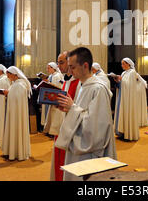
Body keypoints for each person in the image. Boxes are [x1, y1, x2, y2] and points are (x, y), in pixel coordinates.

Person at [55, 47, 117, 181]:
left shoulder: (98, 89)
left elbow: (96, 128)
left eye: (73, 67)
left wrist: (72, 108)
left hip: (89, 153)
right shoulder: (84, 86)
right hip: (79, 148)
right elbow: (82, 112)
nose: (70, 71)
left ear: (85, 66)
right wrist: (69, 109)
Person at [50, 51, 81, 181]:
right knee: (59, 160)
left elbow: (82, 108)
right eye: (58, 62)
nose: (58, 65)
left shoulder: (80, 82)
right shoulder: (66, 81)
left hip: (72, 130)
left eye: (61, 62)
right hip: (62, 127)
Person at [0, 66, 32, 161]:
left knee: (17, 128)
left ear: (14, 74)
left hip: (16, 114)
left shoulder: (19, 85)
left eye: (8, 74)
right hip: (13, 112)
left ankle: (17, 152)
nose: (8, 76)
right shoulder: (16, 84)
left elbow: (17, 98)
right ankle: (12, 151)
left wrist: (8, 93)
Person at [113, 58, 148, 141]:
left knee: (128, 114)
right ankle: (122, 132)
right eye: (121, 64)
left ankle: (129, 134)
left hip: (128, 98)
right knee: (122, 113)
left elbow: (130, 86)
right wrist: (118, 81)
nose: (122, 65)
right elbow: (123, 84)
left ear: (128, 64)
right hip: (123, 97)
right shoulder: (124, 73)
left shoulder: (132, 72)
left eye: (123, 64)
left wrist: (121, 81)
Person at [42, 62, 65, 136]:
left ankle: (54, 132)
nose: (47, 69)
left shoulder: (57, 76)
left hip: (55, 97)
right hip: (50, 97)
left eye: (48, 68)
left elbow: (58, 86)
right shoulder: (51, 76)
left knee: (55, 115)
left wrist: (48, 83)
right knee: (51, 114)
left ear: (53, 68)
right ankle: (49, 130)